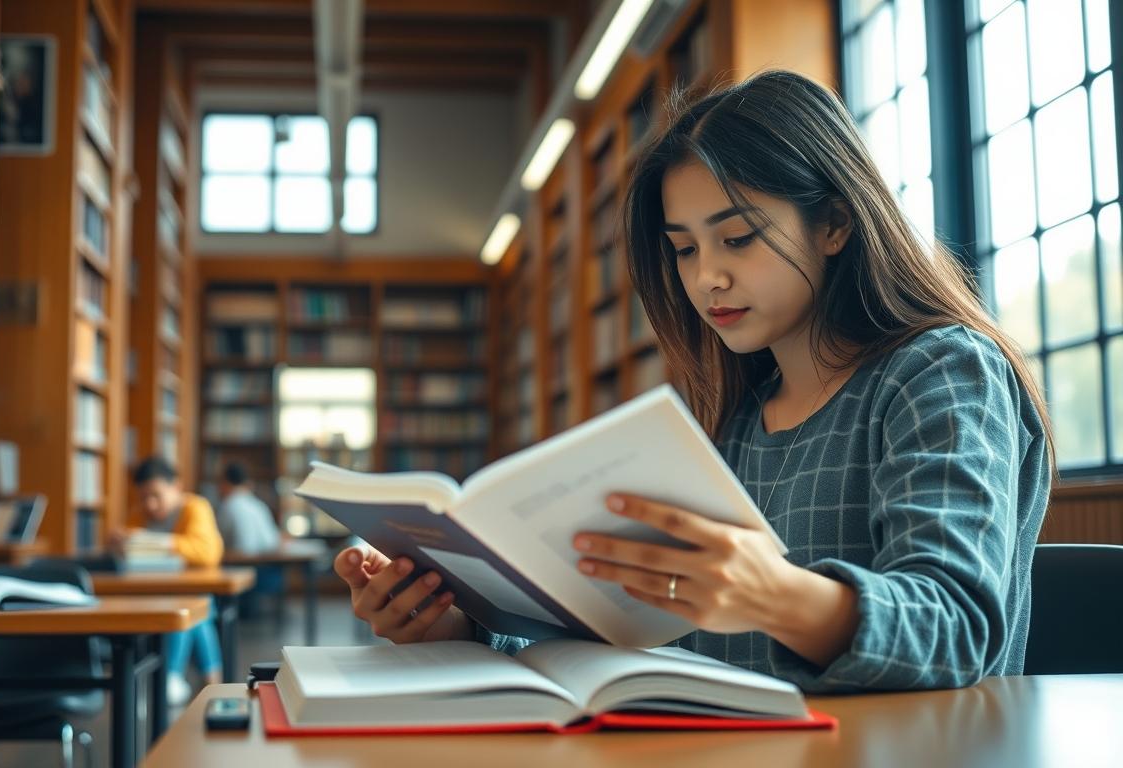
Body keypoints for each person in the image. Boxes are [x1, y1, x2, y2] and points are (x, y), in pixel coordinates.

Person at [331, 70, 1053, 694]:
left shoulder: (940, 370)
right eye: (683, 249)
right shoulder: (736, 415)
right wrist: (452, 626)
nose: (707, 275)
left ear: (834, 222)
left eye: (736, 237)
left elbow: (958, 630)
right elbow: (661, 656)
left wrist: (776, 594)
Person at [113, 456, 225, 704]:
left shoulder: (195, 507)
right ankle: (208, 681)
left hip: (187, 592)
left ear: (176, 486)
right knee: (196, 610)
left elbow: (208, 553)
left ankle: (172, 676)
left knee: (190, 607)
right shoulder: (139, 515)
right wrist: (121, 543)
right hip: (149, 595)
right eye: (143, 498)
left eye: (156, 495)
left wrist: (160, 542)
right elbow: (128, 553)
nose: (150, 504)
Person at [215, 462, 285, 617]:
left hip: (246, 576)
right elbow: (274, 541)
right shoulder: (258, 505)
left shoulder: (228, 506)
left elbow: (238, 550)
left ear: (225, 483)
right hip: (271, 573)